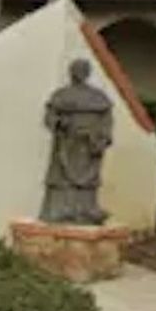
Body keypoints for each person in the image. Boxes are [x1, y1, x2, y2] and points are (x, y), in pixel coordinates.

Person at [40, 59, 113, 225]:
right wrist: (59, 123)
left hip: (90, 144)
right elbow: (50, 117)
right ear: (71, 72)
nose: (79, 74)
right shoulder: (61, 95)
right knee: (61, 179)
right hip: (67, 143)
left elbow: (106, 120)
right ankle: (60, 211)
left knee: (89, 181)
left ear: (87, 73)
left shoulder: (98, 97)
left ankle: (87, 210)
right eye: (76, 70)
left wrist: (103, 139)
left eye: (82, 70)